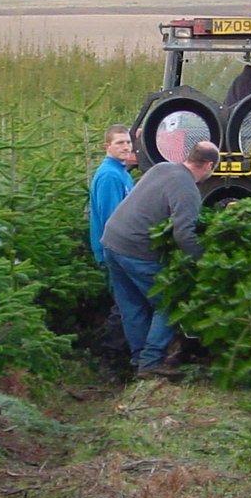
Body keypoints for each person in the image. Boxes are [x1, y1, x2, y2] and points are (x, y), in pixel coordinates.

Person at [100, 139, 220, 379]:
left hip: (112, 241)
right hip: (137, 250)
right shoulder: (187, 189)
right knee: (169, 302)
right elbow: (184, 234)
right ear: (208, 165)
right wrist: (207, 262)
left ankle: (138, 361)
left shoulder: (162, 168)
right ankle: (151, 362)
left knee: (132, 305)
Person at [89, 124, 138, 375]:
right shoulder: (109, 176)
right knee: (123, 305)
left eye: (128, 142)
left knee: (126, 303)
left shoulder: (122, 173)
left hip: (120, 249)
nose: (126, 147)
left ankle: (119, 359)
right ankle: (109, 361)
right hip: (114, 249)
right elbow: (112, 219)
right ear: (106, 146)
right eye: (119, 143)